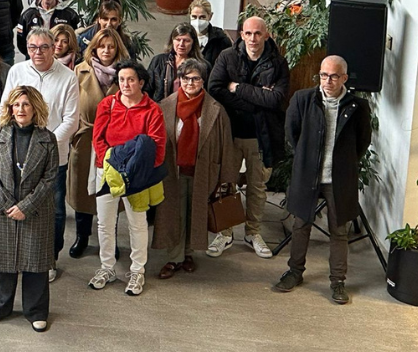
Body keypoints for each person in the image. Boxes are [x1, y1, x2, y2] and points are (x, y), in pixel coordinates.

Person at [274, 55, 372, 305]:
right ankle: (295, 272)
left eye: (334, 76)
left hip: (338, 178)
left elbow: (362, 143)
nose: (328, 81)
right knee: (300, 225)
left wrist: (341, 164)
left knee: (339, 231)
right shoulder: (302, 99)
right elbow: (292, 134)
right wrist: (308, 158)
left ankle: (338, 281)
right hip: (308, 173)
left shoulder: (357, 107)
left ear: (344, 78)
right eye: (324, 75)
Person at [206, 15, 289, 259]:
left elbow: (276, 100)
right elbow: (215, 90)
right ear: (241, 34)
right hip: (230, 133)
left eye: (258, 34)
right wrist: (256, 101)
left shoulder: (278, 63)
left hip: (260, 136)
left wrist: (239, 88)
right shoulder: (227, 57)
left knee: (257, 186)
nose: (253, 39)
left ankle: (253, 232)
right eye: (248, 33)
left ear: (266, 35)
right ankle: (225, 232)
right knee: (226, 183)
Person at [3, 28, 79, 280]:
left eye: (44, 47)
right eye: (33, 47)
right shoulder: (17, 71)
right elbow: (7, 110)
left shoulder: (68, 77)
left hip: (54, 156)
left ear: (53, 48)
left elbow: (71, 120)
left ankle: (49, 259)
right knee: (21, 206)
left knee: (54, 210)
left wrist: (45, 146)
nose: (38, 52)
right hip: (19, 157)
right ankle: (21, 254)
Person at [152, 58, 238, 279]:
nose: (190, 83)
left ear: (203, 80)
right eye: (185, 78)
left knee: (196, 213)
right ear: (179, 80)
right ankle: (174, 257)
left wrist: (227, 178)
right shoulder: (165, 106)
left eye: (195, 78)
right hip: (173, 172)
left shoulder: (216, 110)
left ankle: (189, 253)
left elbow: (227, 145)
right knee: (173, 214)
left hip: (203, 171)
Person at [0, 85, 59, 331]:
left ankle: (36, 310)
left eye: (26, 104)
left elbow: (50, 178)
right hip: (3, 208)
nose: (21, 109)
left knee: (35, 264)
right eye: (17, 104)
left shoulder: (48, 138)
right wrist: (7, 204)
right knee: (2, 262)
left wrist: (26, 206)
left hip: (36, 211)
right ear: (10, 108)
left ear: (35, 107)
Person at [89, 59, 166, 297]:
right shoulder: (107, 104)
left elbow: (157, 146)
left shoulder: (153, 109)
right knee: (105, 222)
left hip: (136, 176)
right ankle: (107, 267)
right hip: (108, 171)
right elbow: (98, 138)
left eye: (131, 79)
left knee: (137, 223)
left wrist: (134, 171)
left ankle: (137, 271)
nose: (125, 84)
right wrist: (109, 163)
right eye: (121, 79)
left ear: (141, 82)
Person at [68, 28, 125, 259]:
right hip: (85, 137)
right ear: (94, 48)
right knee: (83, 189)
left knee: (111, 190)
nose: (106, 51)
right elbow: (70, 105)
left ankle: (109, 240)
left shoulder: (125, 73)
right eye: (102, 46)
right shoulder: (79, 71)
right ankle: (82, 236)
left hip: (113, 141)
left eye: (111, 46)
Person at [16, 0, 81, 57]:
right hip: (36, 60)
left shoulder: (70, 14)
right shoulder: (27, 15)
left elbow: (75, 41)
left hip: (62, 62)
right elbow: (21, 44)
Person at [148, 23, 202, 102]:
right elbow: (147, 88)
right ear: (172, 41)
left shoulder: (201, 65)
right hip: (160, 109)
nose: (181, 44)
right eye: (178, 39)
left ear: (193, 43)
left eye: (186, 40)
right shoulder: (158, 61)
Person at [189, 0, 231, 70]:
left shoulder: (221, 40)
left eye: (202, 17)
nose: (198, 21)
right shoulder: (183, 37)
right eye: (194, 17)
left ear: (210, 16)